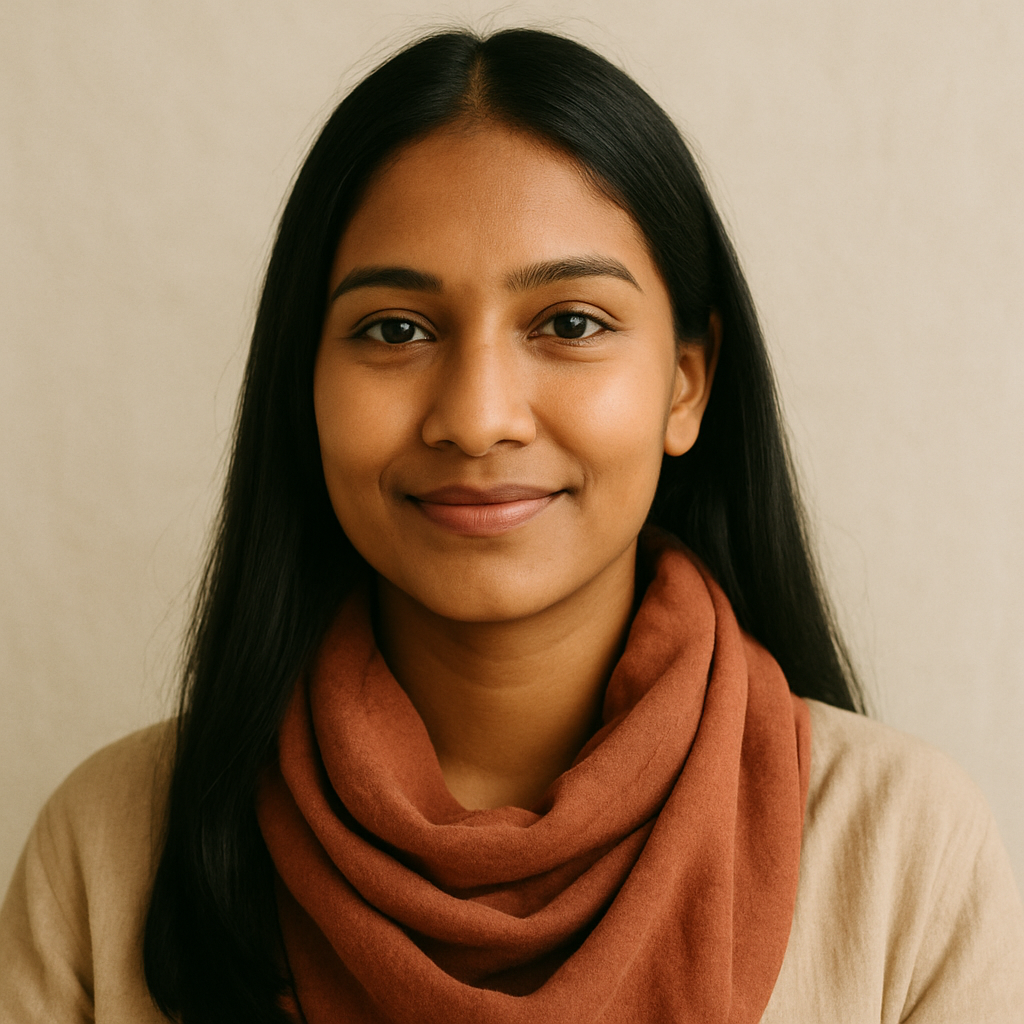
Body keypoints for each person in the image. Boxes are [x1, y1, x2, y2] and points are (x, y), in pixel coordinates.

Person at [1, 27, 1021, 1024]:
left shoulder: (900, 854)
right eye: (394, 329)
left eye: (569, 323)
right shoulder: (113, 845)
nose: (478, 415)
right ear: (302, 382)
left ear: (685, 384)